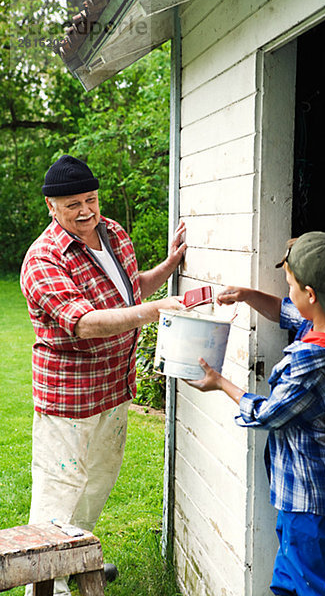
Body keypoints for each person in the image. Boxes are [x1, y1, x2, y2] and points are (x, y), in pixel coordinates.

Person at [20, 155, 186, 596]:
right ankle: (42, 585)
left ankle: (70, 561)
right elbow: (86, 322)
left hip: (113, 390)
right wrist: (154, 313)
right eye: (73, 204)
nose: (86, 211)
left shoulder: (113, 234)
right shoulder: (44, 259)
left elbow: (128, 292)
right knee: (60, 489)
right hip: (69, 399)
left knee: (97, 482)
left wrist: (167, 270)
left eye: (90, 199)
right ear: (52, 208)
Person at [188, 231, 325, 596]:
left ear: (311, 294)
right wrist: (245, 294)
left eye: (290, 283)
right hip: (297, 499)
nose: (286, 290)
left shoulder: (315, 365)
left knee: (311, 587)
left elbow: (268, 414)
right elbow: (284, 312)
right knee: (287, 584)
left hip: (312, 504)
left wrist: (219, 382)